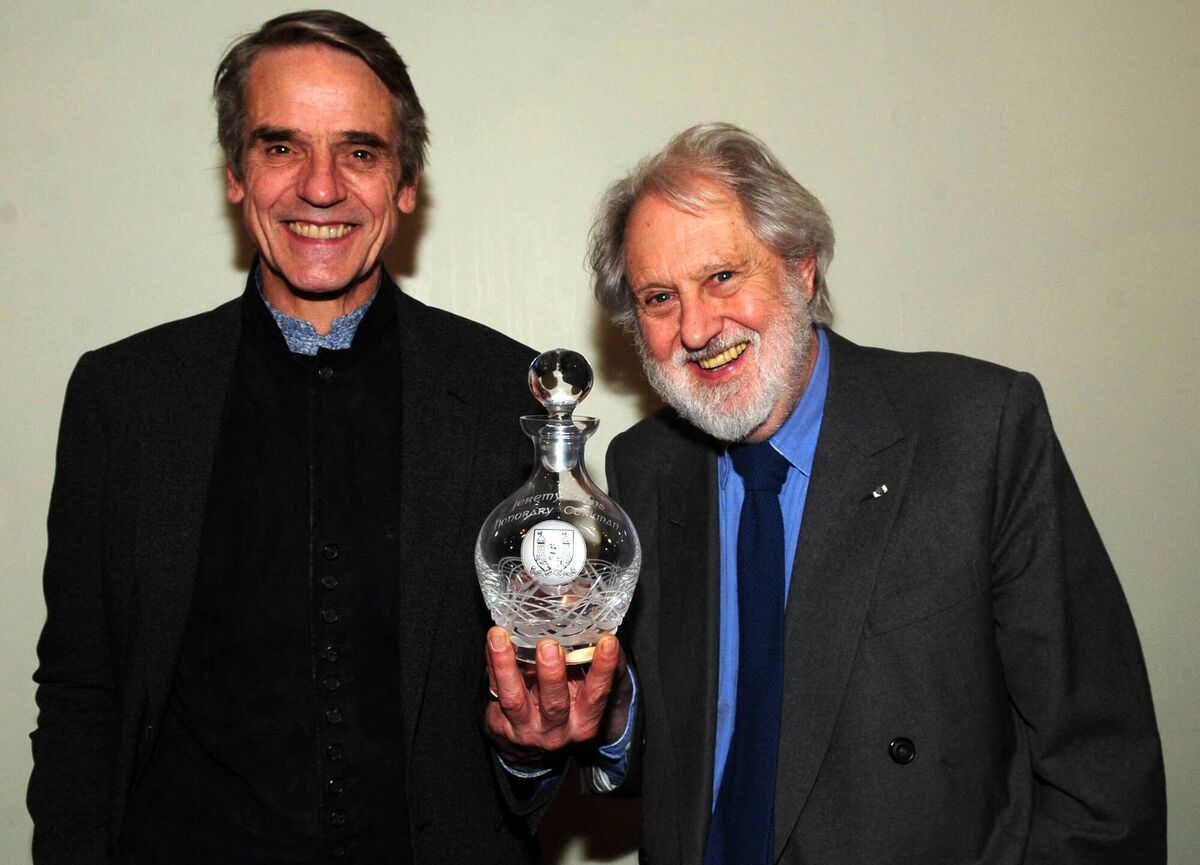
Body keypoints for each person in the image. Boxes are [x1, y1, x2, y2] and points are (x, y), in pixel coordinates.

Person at [485, 123, 1166, 864]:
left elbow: (1103, 772)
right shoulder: (646, 469)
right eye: (658, 297)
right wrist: (608, 717)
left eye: (721, 277)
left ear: (802, 268)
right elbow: (698, 745)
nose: (697, 326)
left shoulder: (977, 431)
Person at [28, 11, 541, 864]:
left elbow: (546, 715)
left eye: (360, 151)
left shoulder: (507, 395)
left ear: (406, 182)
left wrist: (540, 741)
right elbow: (83, 693)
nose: (321, 187)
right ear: (235, 173)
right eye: (281, 147)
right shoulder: (123, 398)